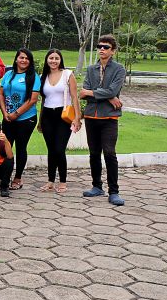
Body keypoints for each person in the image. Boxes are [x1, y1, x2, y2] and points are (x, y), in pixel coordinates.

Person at [79, 35, 126, 206]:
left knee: (109, 153)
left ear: (113, 51)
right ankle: (96, 186)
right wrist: (109, 96)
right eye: (99, 46)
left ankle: (114, 191)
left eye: (106, 47)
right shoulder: (91, 69)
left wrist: (102, 94)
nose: (101, 49)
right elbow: (83, 92)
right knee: (94, 153)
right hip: (91, 116)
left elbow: (112, 89)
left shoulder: (119, 69)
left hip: (109, 117)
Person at [39, 49, 81, 193]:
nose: (53, 61)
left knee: (59, 149)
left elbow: (75, 97)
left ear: (60, 60)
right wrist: (40, 120)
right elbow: (43, 100)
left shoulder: (68, 74)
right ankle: (50, 181)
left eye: (56, 58)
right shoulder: (43, 76)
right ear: (47, 60)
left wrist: (77, 118)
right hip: (47, 116)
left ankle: (62, 181)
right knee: (51, 150)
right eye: (51, 58)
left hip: (63, 115)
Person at [0, 49, 40, 190]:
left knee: (21, 148)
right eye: (21, 57)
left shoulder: (33, 76)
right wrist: (5, 113)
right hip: (8, 118)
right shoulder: (8, 74)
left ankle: (18, 178)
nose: (24, 60)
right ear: (16, 59)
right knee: (5, 147)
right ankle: (5, 176)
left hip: (26, 119)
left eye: (27, 58)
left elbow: (33, 99)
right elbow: (1, 94)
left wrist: (16, 114)